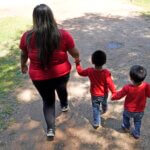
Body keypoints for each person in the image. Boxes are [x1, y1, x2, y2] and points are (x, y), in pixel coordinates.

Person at [19, 4, 79, 139]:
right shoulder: (63, 34)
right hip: (61, 73)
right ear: (51, 17)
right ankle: (64, 105)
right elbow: (74, 52)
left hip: (38, 77)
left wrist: (23, 65)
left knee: (48, 101)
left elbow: (24, 54)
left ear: (35, 18)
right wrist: (77, 58)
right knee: (62, 88)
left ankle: (50, 129)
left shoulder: (27, 36)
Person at [75, 50, 116, 129]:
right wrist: (114, 92)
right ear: (104, 61)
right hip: (104, 94)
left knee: (95, 108)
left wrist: (77, 64)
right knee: (104, 102)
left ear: (93, 61)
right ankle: (104, 109)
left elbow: (80, 72)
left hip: (94, 94)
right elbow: (110, 83)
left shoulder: (89, 71)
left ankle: (96, 122)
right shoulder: (106, 73)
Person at [111, 65, 150, 139]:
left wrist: (113, 97)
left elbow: (119, 95)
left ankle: (126, 126)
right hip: (140, 111)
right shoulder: (146, 86)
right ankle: (137, 133)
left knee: (125, 117)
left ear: (131, 79)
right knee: (137, 122)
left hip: (128, 109)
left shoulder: (127, 87)